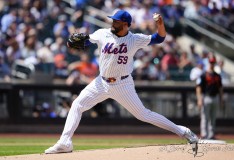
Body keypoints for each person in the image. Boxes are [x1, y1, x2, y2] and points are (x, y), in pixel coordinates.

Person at [45, 10, 198, 155]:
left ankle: (183, 131)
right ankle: (65, 142)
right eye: (113, 20)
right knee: (77, 105)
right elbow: (86, 40)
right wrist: (77, 41)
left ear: (125, 24)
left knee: (143, 114)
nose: (113, 23)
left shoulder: (134, 39)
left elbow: (160, 38)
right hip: (101, 82)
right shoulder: (102, 33)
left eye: (116, 21)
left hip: (123, 84)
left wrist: (160, 24)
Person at [196, 55, 223, 139]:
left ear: (214, 63)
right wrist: (199, 99)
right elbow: (199, 88)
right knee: (205, 117)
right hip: (206, 97)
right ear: (208, 63)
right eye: (211, 62)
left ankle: (211, 134)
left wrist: (221, 99)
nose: (212, 64)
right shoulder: (204, 75)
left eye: (213, 62)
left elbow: (220, 88)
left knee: (213, 117)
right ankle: (204, 134)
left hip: (215, 97)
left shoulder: (217, 75)